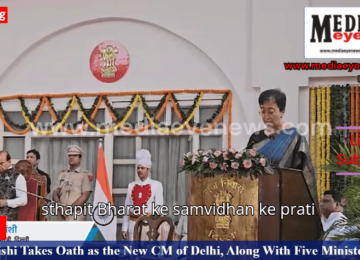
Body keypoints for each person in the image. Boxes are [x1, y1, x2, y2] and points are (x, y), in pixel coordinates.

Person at [247, 89, 318, 205]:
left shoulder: (295, 137)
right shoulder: (255, 138)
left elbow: (305, 173)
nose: (266, 116)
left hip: (287, 199)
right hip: (259, 198)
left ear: (282, 112)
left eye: (270, 112)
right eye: (262, 111)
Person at [121, 149, 164, 241]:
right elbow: (127, 208)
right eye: (138, 168)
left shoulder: (156, 185)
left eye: (142, 168)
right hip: (133, 223)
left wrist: (156, 226)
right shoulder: (131, 185)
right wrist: (124, 227)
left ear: (148, 170)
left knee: (146, 251)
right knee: (133, 252)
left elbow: (159, 208)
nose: (139, 170)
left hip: (148, 225)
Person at [52, 145, 93, 221]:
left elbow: (85, 196)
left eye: (74, 155)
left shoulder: (85, 175)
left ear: (80, 158)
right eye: (69, 155)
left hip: (76, 214)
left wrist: (69, 209)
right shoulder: (62, 173)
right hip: (61, 213)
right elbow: (55, 193)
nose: (71, 157)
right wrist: (60, 207)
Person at [0, 151, 27, 220]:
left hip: (5, 217)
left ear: (9, 161)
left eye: (1, 163)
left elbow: (23, 200)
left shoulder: (18, 177)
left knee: (2, 230)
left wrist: (6, 202)